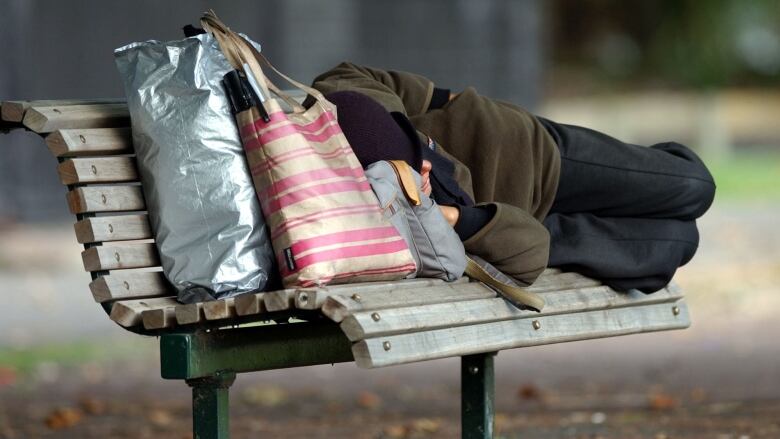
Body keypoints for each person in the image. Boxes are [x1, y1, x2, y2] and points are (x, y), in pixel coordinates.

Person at [311, 62, 716, 293]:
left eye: (422, 160)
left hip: (534, 153)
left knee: (694, 185)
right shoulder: (407, 219)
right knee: (676, 242)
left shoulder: (351, 120)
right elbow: (532, 247)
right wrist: (454, 219)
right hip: (523, 225)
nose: (428, 170)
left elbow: (345, 77)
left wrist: (445, 106)